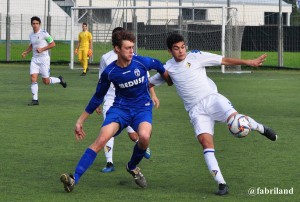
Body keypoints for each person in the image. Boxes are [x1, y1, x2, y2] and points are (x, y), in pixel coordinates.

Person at [149, 33, 277, 196]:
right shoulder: (167, 68)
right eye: (176, 49)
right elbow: (149, 83)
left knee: (237, 120)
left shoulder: (196, 56)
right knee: (206, 143)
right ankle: (222, 184)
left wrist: (248, 62)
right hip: (195, 110)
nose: (181, 51)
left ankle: (260, 128)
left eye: (182, 47)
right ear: (169, 51)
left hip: (213, 99)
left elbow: (223, 60)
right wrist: (150, 94)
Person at [60, 30, 172, 192]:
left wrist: (168, 78)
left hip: (142, 109)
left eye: (132, 47)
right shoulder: (110, 72)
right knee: (101, 140)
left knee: (144, 137)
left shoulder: (141, 62)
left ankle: (132, 167)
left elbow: (159, 66)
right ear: (117, 49)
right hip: (120, 109)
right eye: (127, 48)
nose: (131, 51)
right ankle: (73, 179)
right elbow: (98, 97)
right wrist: (80, 120)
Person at [97, 27, 155, 173]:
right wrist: (99, 101)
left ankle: (142, 144)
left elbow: (145, 78)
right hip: (112, 99)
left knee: (133, 134)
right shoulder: (106, 58)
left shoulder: (133, 57)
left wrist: (152, 94)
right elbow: (101, 81)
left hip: (132, 101)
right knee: (107, 132)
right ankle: (109, 162)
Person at [21, 16, 67, 106]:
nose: (35, 25)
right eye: (33, 23)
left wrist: (42, 49)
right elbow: (31, 45)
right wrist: (26, 52)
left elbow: (53, 44)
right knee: (33, 78)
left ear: (39, 24)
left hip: (44, 59)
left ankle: (60, 80)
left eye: (37, 23)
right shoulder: (31, 35)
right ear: (31, 24)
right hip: (34, 59)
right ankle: (35, 100)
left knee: (46, 81)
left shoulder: (44, 33)